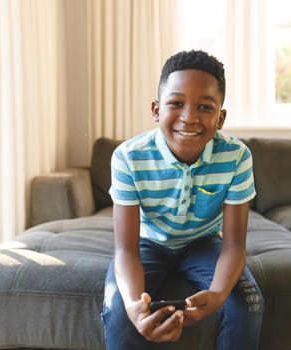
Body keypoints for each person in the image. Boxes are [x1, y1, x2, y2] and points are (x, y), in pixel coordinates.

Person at [102, 50, 264, 350]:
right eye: (176, 103)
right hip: (147, 243)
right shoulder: (127, 157)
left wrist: (217, 294)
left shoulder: (237, 156)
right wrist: (136, 310)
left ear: (221, 117)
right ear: (156, 110)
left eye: (205, 106)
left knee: (247, 304)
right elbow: (125, 249)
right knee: (119, 310)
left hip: (203, 242)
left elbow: (233, 245)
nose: (189, 117)